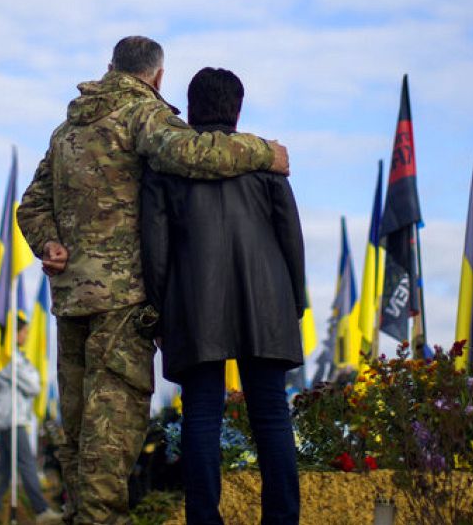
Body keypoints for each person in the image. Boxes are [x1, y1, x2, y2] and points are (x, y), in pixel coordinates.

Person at [18, 36, 290, 524]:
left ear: (109, 67)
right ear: (158, 77)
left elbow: (31, 204)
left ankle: (83, 516)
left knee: (78, 429)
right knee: (112, 428)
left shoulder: (66, 131)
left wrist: (49, 244)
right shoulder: (141, 115)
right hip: (122, 299)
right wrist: (263, 151)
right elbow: (192, 152)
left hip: (72, 297)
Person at [140, 67, 305, 525]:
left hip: (193, 306)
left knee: (201, 418)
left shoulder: (165, 166)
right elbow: (290, 235)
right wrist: (294, 300)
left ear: (191, 108)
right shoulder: (266, 160)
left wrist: (161, 308)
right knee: (272, 415)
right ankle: (282, 519)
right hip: (267, 301)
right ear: (238, 108)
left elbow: (155, 250)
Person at [0, 313, 61, 523]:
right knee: (27, 463)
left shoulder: (14, 356)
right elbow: (33, 385)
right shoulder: (8, 357)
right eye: (24, 331)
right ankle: (41, 511)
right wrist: (33, 378)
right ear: (14, 332)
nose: (27, 335)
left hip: (10, 418)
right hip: (11, 419)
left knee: (6, 466)